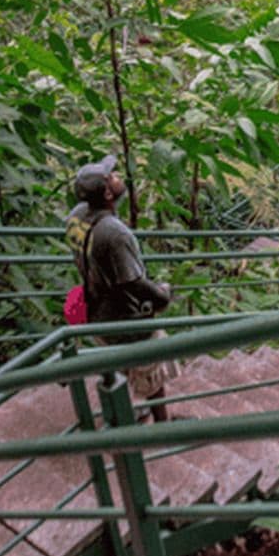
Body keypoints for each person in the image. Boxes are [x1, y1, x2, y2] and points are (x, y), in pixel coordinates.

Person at [65, 153, 178, 422]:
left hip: (95, 309)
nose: (118, 177)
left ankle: (128, 411)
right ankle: (164, 426)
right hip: (125, 316)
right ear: (106, 193)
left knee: (120, 364)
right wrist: (162, 294)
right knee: (149, 367)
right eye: (112, 177)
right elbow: (132, 282)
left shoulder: (77, 216)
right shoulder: (113, 233)